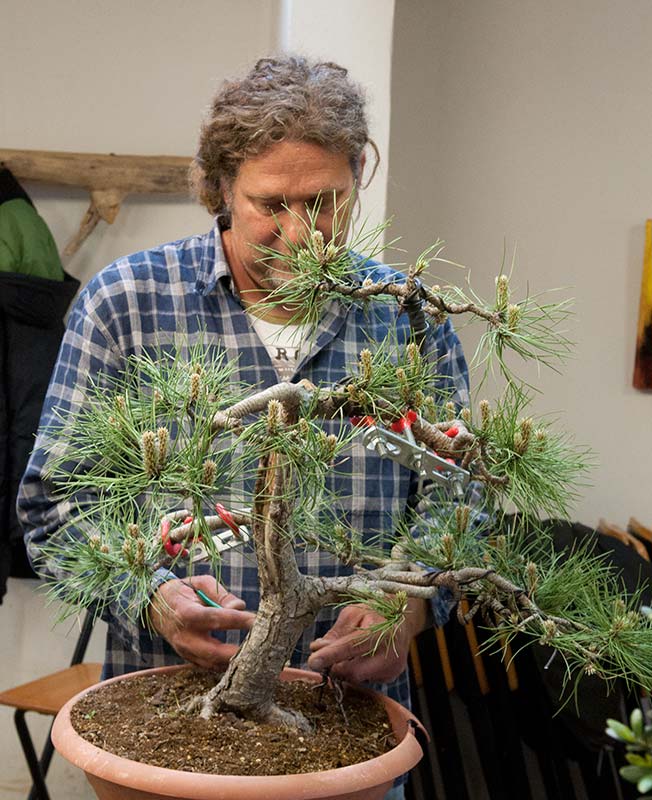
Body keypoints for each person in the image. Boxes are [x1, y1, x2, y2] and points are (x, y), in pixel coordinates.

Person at [18, 55, 469, 798]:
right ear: (221, 190)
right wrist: (149, 593)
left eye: (325, 202)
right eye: (271, 205)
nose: (300, 234)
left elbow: (460, 495)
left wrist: (411, 606)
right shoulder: (126, 306)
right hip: (169, 720)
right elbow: (55, 505)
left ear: (358, 175)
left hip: (345, 726)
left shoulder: (407, 319)